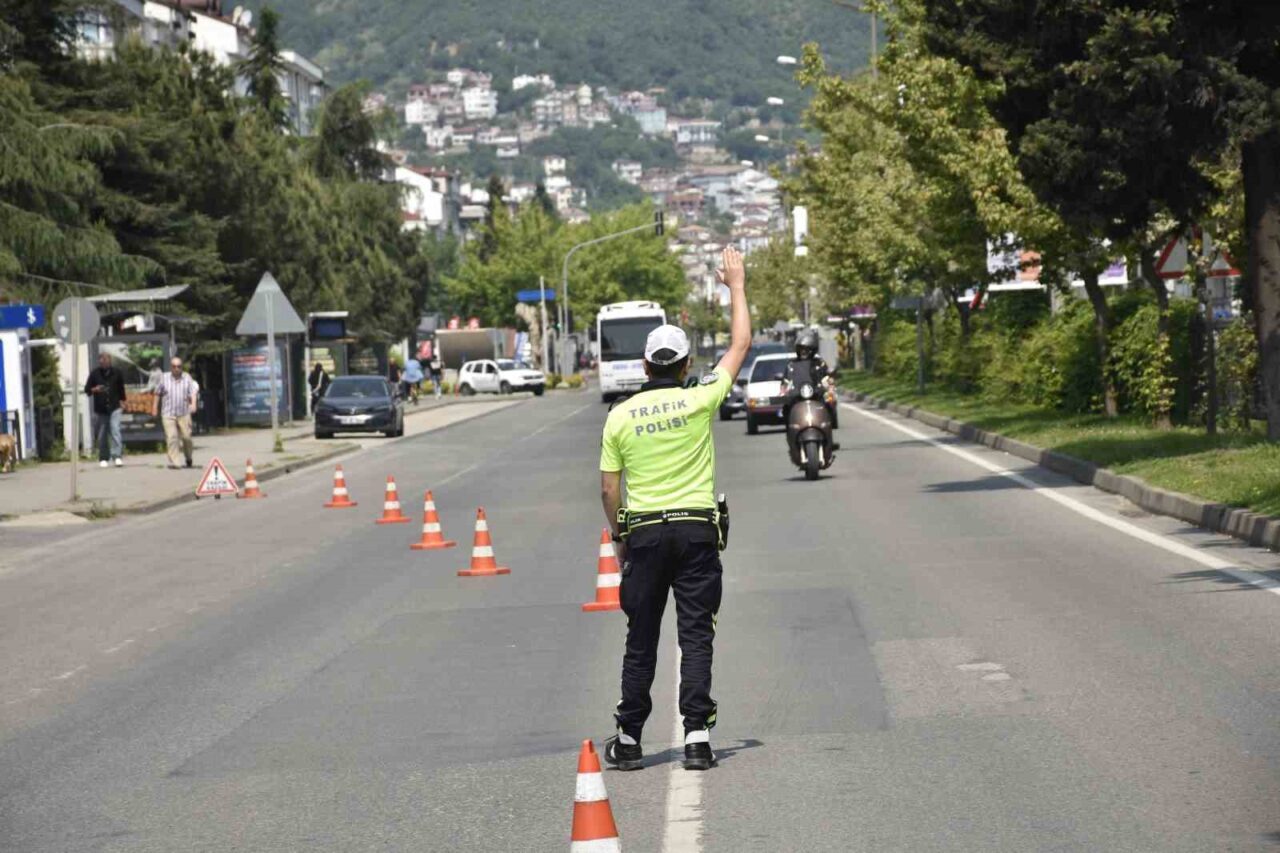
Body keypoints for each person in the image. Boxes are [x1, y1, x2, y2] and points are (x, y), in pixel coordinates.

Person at [598, 245, 751, 772]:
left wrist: (620, 538)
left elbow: (609, 489)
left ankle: (629, 739)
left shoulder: (620, 416)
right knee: (696, 636)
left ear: (645, 365)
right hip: (696, 535)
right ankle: (697, 739)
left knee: (641, 639)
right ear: (686, 365)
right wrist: (736, 285)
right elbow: (740, 343)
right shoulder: (699, 399)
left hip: (644, 536)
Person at [153, 356, 199, 469]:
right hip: (168, 413)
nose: (176, 369)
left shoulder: (187, 377)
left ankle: (188, 457)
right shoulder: (164, 378)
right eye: (174, 366)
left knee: (187, 437)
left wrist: (193, 404)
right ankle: (176, 462)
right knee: (172, 437)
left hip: (184, 413)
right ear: (171, 367)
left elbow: (193, 392)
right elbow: (157, 393)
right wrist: (154, 407)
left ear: (181, 367)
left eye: (179, 366)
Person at [84, 353, 127, 468]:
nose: (104, 364)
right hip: (101, 408)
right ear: (100, 362)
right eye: (102, 362)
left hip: (115, 406)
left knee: (115, 430)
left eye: (106, 361)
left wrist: (123, 401)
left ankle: (117, 456)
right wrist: (95, 389)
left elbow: (121, 389)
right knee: (102, 434)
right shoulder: (94, 374)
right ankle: (103, 457)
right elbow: (87, 389)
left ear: (109, 361)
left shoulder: (117, 372)